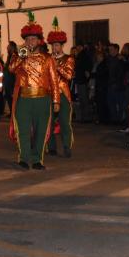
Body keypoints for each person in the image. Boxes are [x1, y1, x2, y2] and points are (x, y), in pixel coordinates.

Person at [8, 12, 60, 170]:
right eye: (27, 39)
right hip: (24, 99)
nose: (30, 42)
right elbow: (11, 69)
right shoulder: (20, 56)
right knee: (23, 130)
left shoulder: (48, 59)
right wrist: (20, 56)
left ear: (39, 41)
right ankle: (24, 158)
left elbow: (54, 81)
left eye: (33, 39)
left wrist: (56, 100)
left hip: (42, 99)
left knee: (41, 131)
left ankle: (37, 159)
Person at [47, 17, 75, 157]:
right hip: (50, 94)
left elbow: (69, 76)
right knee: (49, 122)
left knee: (65, 122)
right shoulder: (48, 59)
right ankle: (51, 147)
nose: (54, 48)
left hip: (63, 94)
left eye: (57, 45)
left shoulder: (68, 58)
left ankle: (66, 146)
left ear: (61, 45)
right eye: (53, 45)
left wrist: (57, 67)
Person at [106, 43, 126, 124]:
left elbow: (121, 73)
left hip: (117, 85)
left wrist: (116, 82)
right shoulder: (109, 59)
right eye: (109, 50)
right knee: (111, 102)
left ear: (116, 50)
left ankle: (119, 119)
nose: (110, 51)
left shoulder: (120, 59)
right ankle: (114, 119)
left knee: (119, 103)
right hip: (110, 84)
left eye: (111, 49)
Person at [74, 43, 92, 122]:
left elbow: (85, 67)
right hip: (80, 79)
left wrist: (86, 73)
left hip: (82, 80)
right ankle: (84, 117)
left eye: (78, 46)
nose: (77, 48)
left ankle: (86, 117)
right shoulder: (81, 55)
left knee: (84, 99)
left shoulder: (83, 55)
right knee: (82, 99)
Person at [3, 41, 17, 117]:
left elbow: (13, 70)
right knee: (9, 99)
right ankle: (12, 113)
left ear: (12, 47)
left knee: (12, 100)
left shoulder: (14, 56)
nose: (7, 47)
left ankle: (14, 114)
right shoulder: (9, 56)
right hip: (8, 82)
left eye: (8, 46)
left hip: (12, 82)